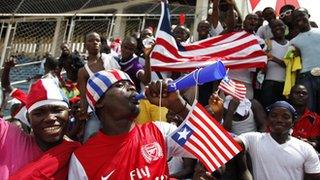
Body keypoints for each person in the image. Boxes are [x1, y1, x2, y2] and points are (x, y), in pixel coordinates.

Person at [68, 69, 196, 179]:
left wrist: (179, 105)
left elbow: (213, 143)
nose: (132, 88)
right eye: (120, 85)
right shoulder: (82, 159)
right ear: (99, 102)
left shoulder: (159, 131)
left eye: (131, 84)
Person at [0, 78, 80, 179]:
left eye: (57, 110)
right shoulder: (8, 136)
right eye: (39, 113)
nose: (50, 118)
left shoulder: (78, 155)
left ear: (69, 114)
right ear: (29, 119)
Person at [235, 101, 320, 180]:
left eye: (285, 117)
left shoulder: (306, 149)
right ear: (268, 120)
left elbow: (313, 176)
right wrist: (244, 170)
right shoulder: (254, 139)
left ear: (293, 122)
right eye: (274, 116)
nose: (279, 120)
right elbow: (231, 143)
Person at [77, 32, 120, 141]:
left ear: (101, 44)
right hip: (96, 113)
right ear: (85, 45)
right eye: (91, 40)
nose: (95, 42)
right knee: (89, 140)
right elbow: (83, 97)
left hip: (115, 108)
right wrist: (82, 119)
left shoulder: (110, 60)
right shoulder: (83, 72)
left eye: (97, 40)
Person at [290, 9, 320, 114]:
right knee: (308, 109)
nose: (299, 18)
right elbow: (291, 64)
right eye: (296, 17)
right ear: (293, 21)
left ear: (308, 15)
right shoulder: (293, 42)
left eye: (302, 15)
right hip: (305, 77)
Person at [261, 19, 288, 108]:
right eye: (274, 27)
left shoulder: (291, 44)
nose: (278, 28)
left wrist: (274, 59)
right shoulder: (267, 43)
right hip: (269, 84)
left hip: (286, 86)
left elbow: (290, 65)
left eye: (280, 25)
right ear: (272, 30)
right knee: (269, 111)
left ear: (285, 27)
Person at [289, 84, 320, 151]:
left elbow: (315, 143)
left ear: (308, 97)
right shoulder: (280, 115)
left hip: (303, 153)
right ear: (290, 96)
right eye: (297, 93)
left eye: (304, 93)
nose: (301, 95)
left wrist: (306, 143)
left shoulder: (315, 119)